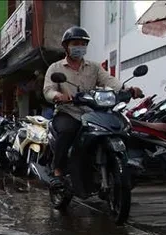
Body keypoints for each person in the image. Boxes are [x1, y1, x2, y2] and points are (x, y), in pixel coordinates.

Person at [43, 26, 142, 188]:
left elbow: (110, 81)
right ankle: (58, 171)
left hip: (91, 112)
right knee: (67, 131)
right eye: (75, 43)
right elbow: (48, 90)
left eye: (83, 44)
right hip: (68, 112)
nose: (79, 47)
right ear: (65, 47)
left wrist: (127, 90)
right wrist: (58, 96)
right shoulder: (56, 68)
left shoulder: (94, 67)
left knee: (117, 127)